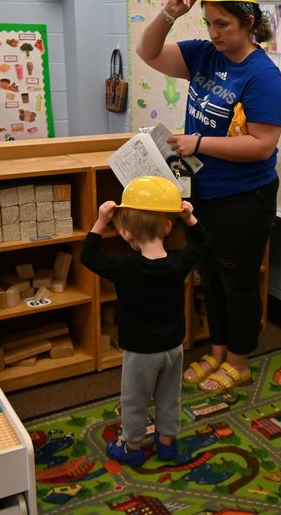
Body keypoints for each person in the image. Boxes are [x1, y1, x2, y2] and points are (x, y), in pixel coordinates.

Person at [136, 0, 281, 393]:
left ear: (248, 21)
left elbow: (262, 144)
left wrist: (199, 142)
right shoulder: (205, 55)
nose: (214, 32)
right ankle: (218, 350)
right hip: (201, 194)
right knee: (211, 279)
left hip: (244, 199)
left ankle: (239, 361)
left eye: (223, 23)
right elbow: (148, 52)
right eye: (208, 22)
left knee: (237, 284)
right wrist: (168, 14)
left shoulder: (263, 76)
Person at [80, 176, 208, 466]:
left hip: (140, 351)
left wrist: (101, 221)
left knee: (135, 400)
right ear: (167, 226)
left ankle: (134, 446)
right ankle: (166, 443)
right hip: (173, 346)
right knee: (169, 396)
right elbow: (202, 243)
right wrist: (190, 218)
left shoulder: (124, 267)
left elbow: (88, 256)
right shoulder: (178, 262)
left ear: (125, 234)